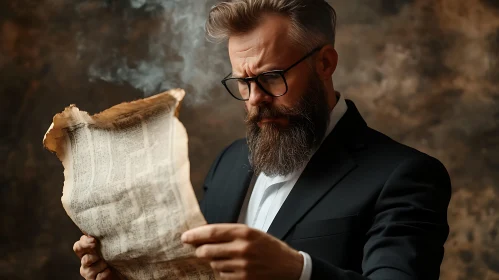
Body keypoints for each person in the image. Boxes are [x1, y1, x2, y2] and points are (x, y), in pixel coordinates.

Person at [73, 0, 452, 279]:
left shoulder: (405, 176)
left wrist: (297, 271)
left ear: (325, 63)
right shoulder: (229, 162)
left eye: (271, 77)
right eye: (243, 81)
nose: (255, 99)